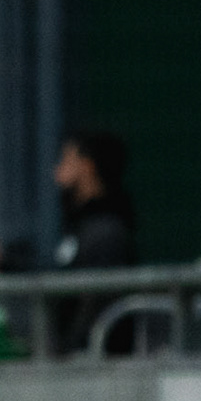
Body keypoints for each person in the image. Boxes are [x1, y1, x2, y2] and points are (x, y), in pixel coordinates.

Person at [51, 130, 137, 354]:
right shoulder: (80, 227)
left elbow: (95, 309)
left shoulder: (106, 232)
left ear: (87, 167)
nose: (57, 174)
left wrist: (68, 354)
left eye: (66, 161)